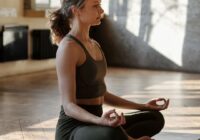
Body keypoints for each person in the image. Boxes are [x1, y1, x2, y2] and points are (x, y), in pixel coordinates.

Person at [49, 0, 170, 140]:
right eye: (95, 6)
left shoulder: (94, 45)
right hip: (74, 130)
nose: (101, 11)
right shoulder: (68, 48)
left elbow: (102, 94)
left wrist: (144, 106)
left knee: (154, 117)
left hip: (96, 124)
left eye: (100, 5)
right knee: (111, 134)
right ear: (76, 11)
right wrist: (100, 121)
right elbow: (68, 106)